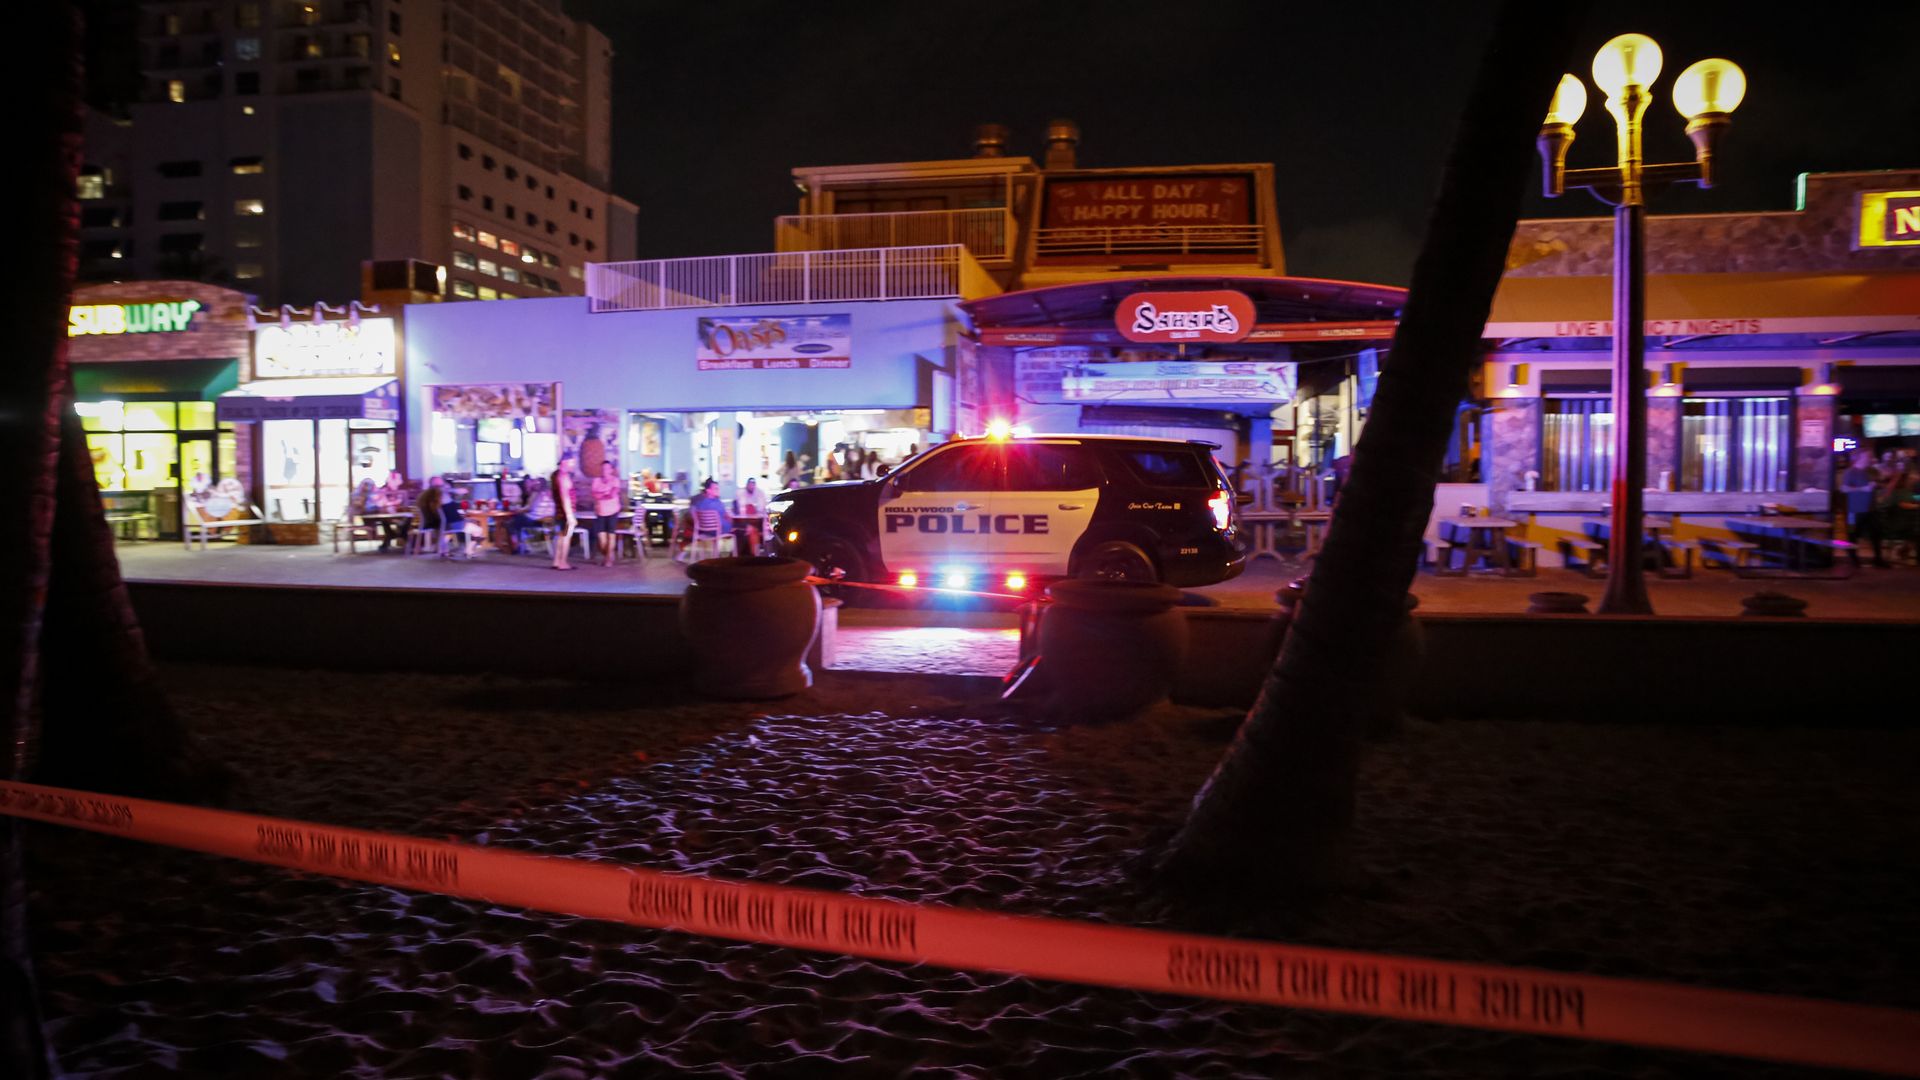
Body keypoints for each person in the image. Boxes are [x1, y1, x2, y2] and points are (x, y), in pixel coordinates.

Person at [1840, 450, 1888, 569]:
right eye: (1867, 456)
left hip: (1871, 508)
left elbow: (1880, 485)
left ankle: (1878, 558)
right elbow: (1844, 489)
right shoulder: (1850, 472)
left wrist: (1878, 486)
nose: (1870, 459)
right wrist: (1863, 489)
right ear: (1859, 458)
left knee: (1876, 533)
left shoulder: (1872, 471)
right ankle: (1854, 559)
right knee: (1854, 534)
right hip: (1856, 509)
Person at [506, 476, 553, 555]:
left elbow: (528, 508)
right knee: (518, 520)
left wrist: (516, 510)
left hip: (535, 520)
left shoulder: (536, 494)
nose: (532, 485)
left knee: (512, 523)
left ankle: (517, 546)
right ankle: (524, 544)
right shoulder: (550, 493)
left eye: (534, 483)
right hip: (548, 521)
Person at [589, 459, 623, 567]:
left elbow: (613, 494)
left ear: (611, 470)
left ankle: (608, 559)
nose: (605, 470)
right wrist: (605, 493)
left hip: (613, 511)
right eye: (603, 468)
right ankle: (609, 554)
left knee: (611, 536)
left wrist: (601, 494)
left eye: (607, 468)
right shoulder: (596, 481)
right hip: (600, 512)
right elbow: (595, 495)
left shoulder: (615, 480)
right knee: (602, 539)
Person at [688, 476, 733, 556]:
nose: (718, 490)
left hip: (705, 530)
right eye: (716, 488)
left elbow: (692, 512)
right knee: (743, 530)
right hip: (719, 530)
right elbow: (725, 516)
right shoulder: (717, 503)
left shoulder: (699, 503)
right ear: (708, 490)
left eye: (718, 488)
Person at [550, 453, 579, 570]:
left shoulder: (555, 475)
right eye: (572, 462)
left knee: (561, 536)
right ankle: (563, 562)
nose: (573, 465)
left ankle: (556, 561)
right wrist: (570, 515)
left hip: (558, 511)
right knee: (566, 537)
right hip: (566, 511)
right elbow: (565, 497)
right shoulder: (564, 477)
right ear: (564, 462)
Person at [372, 469, 411, 551]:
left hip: (399, 514)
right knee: (385, 520)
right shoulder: (383, 491)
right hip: (386, 514)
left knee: (408, 518)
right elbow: (379, 503)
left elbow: (402, 503)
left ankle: (393, 535)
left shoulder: (399, 492)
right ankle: (398, 535)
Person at [733, 476, 765, 556]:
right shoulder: (740, 493)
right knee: (752, 530)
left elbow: (761, 508)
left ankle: (754, 554)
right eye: (750, 484)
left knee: (756, 529)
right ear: (746, 485)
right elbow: (740, 509)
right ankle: (755, 555)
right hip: (743, 521)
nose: (751, 486)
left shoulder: (760, 493)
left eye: (753, 485)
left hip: (757, 520)